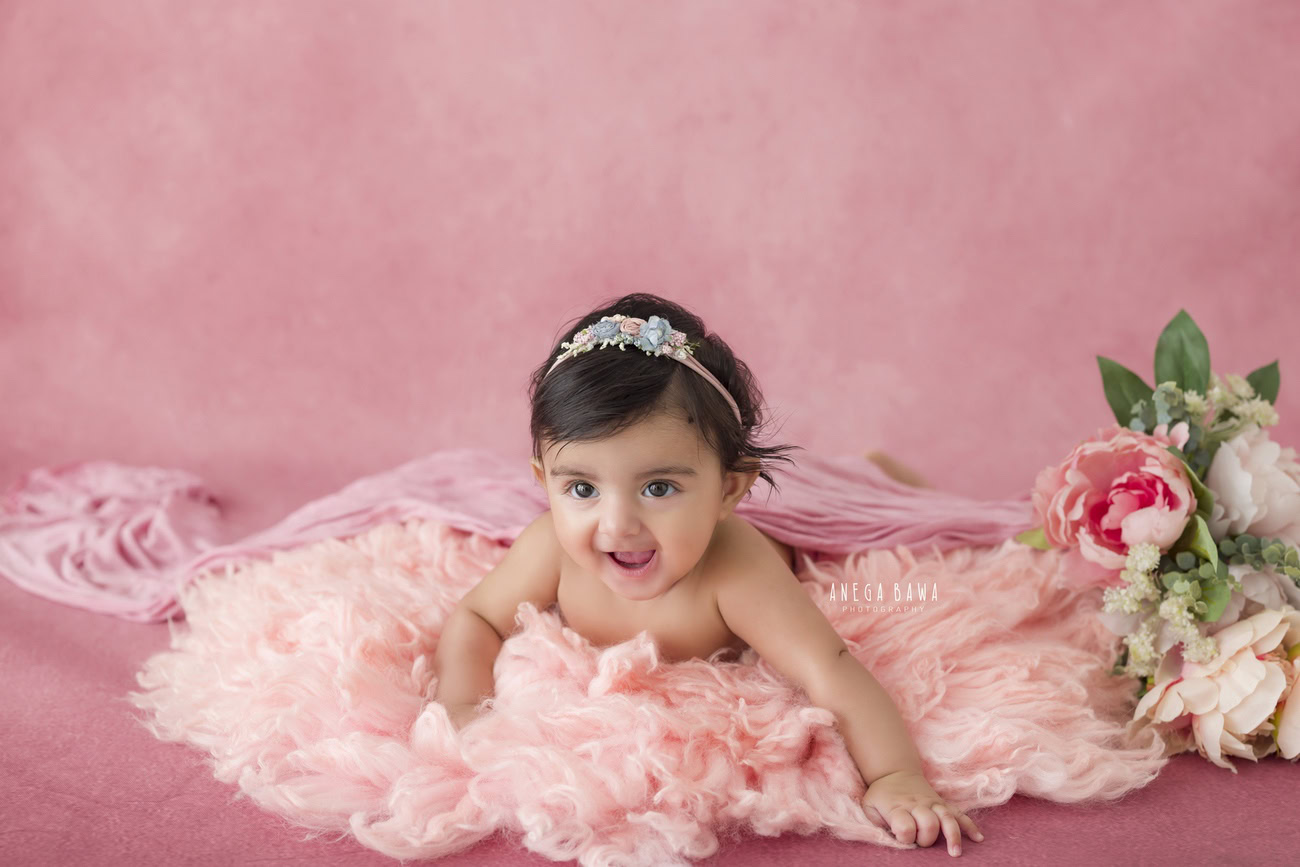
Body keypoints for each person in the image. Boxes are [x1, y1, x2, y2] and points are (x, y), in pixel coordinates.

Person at [432, 293, 984, 857]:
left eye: (658, 488)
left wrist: (895, 775)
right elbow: (476, 616)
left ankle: (873, 471)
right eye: (582, 488)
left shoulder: (736, 572)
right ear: (543, 480)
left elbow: (830, 666)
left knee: (851, 501)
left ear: (728, 489)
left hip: (777, 531)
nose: (618, 526)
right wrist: (465, 706)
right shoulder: (551, 546)